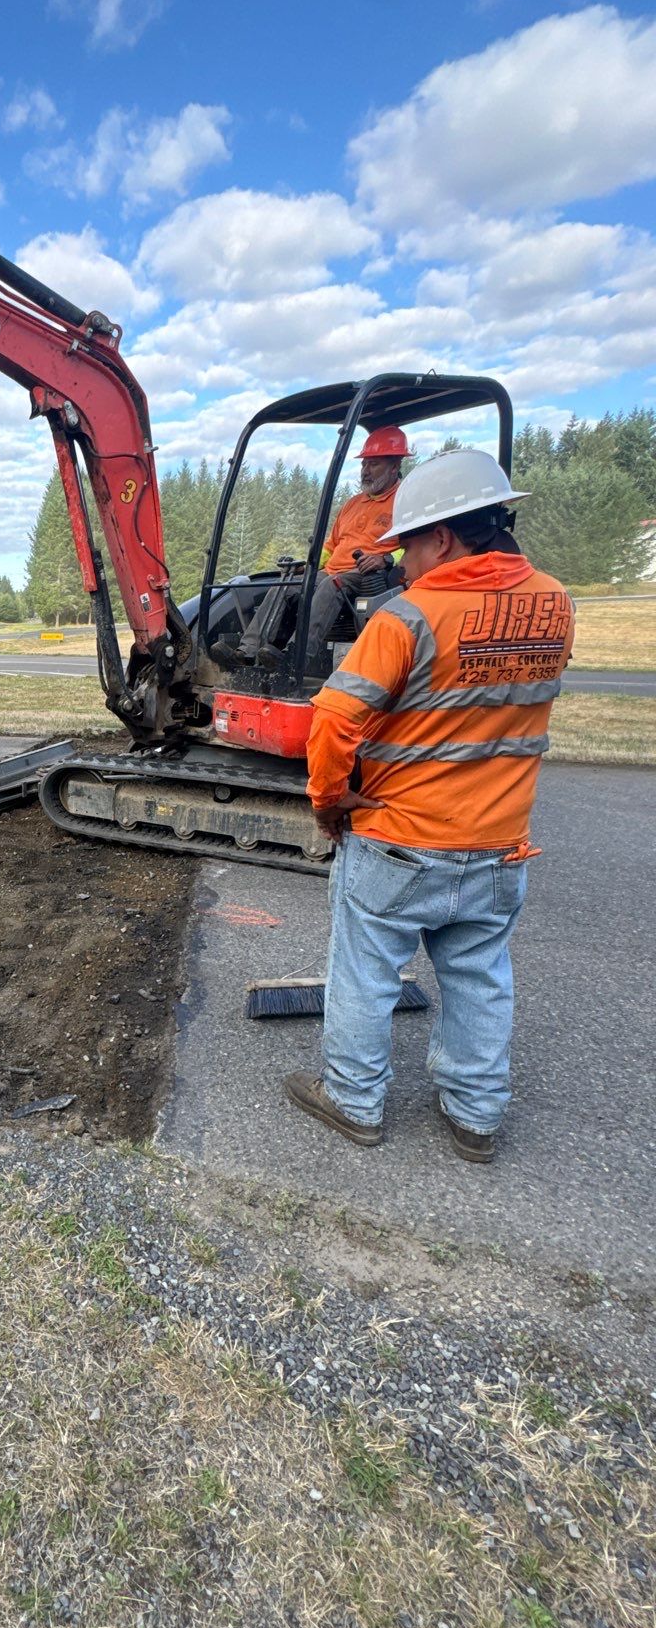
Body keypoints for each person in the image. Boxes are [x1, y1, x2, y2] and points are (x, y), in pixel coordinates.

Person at [284, 450, 573, 1162]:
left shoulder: (407, 618)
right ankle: (476, 1116)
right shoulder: (557, 605)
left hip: (400, 842)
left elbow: (333, 722)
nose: (402, 563)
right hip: (501, 844)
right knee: (478, 974)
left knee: (363, 971)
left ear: (443, 537)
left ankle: (354, 1102)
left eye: (408, 545)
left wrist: (329, 804)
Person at [235, 426, 410, 665]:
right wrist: (309, 567)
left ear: (395, 465)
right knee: (285, 585)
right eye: (364, 464)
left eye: (374, 464)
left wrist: (386, 559)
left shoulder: (405, 501)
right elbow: (331, 547)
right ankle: (248, 651)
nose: (366, 471)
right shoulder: (353, 504)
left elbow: (412, 548)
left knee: (331, 584)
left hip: (370, 576)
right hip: (332, 570)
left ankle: (296, 658)